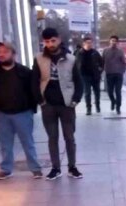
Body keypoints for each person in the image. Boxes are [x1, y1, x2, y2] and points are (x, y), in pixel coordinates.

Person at [33, 27, 83, 181]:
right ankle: (55, 168)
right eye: (47, 41)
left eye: (53, 40)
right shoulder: (39, 58)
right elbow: (34, 81)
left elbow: (78, 81)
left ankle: (72, 167)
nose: (50, 44)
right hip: (48, 105)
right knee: (52, 137)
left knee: (69, 137)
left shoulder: (70, 59)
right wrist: (40, 101)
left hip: (66, 105)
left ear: (59, 40)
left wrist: (75, 100)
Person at [0, 42, 42, 180]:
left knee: (28, 142)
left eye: (5, 51)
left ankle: (35, 168)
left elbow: (33, 91)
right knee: (5, 143)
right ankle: (6, 169)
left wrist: (31, 109)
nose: (1, 54)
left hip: (23, 112)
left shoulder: (25, 72)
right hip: (1, 113)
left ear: (13, 54)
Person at [76, 36, 103, 115]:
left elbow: (101, 62)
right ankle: (89, 108)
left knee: (97, 92)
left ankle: (97, 105)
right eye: (88, 43)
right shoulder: (80, 53)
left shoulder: (95, 52)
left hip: (95, 75)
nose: (89, 44)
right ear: (84, 43)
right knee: (87, 92)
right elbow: (76, 64)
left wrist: (100, 71)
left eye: (91, 43)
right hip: (84, 76)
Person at [102, 35, 126, 115]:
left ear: (117, 42)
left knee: (118, 91)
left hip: (118, 74)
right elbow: (102, 61)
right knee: (110, 91)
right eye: (112, 40)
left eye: (115, 41)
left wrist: (122, 71)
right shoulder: (105, 51)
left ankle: (118, 107)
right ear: (110, 41)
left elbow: (124, 62)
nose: (113, 42)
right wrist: (102, 70)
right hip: (109, 73)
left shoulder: (120, 51)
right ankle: (113, 101)